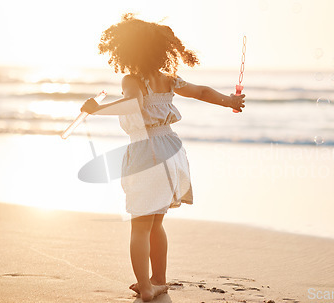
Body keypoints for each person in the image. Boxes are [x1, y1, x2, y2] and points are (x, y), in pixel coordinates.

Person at [81, 13, 245, 302]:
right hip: (171, 148)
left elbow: (133, 104)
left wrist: (98, 109)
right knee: (156, 223)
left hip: (147, 151)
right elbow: (202, 91)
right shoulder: (169, 79)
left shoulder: (132, 79)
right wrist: (230, 101)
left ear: (127, 52)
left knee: (139, 225)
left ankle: (145, 286)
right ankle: (159, 280)